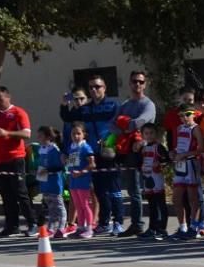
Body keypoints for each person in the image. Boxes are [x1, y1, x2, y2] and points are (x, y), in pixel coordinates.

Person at [0, 85, 37, 237]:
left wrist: (7, 133)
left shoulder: (18, 112)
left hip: (15, 158)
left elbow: (26, 134)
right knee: (6, 195)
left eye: (1, 99)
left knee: (20, 193)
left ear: (8, 97)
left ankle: (32, 223)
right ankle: (12, 225)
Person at [79, 76, 124, 235]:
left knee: (114, 190)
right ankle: (104, 222)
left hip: (109, 152)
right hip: (92, 154)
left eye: (97, 87)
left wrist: (109, 142)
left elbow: (120, 127)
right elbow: (74, 125)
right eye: (91, 87)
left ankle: (118, 222)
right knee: (99, 190)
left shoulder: (113, 105)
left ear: (104, 87)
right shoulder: (86, 108)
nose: (94, 90)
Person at [115, 70, 157, 237]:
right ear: (130, 83)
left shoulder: (148, 104)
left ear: (145, 84)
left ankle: (155, 226)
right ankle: (136, 224)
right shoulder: (125, 105)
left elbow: (142, 121)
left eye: (140, 82)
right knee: (134, 191)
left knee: (152, 190)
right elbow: (112, 125)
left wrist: (125, 123)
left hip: (147, 152)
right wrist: (124, 125)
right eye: (134, 81)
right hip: (129, 152)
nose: (137, 84)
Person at [171, 108, 204, 239]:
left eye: (187, 115)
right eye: (181, 115)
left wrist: (185, 154)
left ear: (194, 115)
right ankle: (182, 227)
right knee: (176, 198)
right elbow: (178, 146)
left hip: (191, 163)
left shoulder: (196, 129)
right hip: (180, 164)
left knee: (193, 198)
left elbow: (201, 149)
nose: (184, 118)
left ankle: (194, 227)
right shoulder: (180, 128)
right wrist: (173, 153)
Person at [137, 122, 172, 240]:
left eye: (151, 133)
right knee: (151, 205)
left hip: (157, 179)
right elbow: (137, 162)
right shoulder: (142, 148)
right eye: (146, 133)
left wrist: (160, 164)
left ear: (156, 134)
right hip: (147, 179)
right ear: (142, 135)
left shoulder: (159, 147)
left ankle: (162, 229)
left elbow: (167, 160)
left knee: (160, 204)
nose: (149, 135)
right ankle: (152, 228)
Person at [64, 121, 96, 239]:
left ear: (84, 134)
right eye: (73, 134)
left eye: (78, 133)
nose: (76, 136)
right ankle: (80, 227)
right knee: (78, 205)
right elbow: (71, 164)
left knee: (85, 205)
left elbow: (92, 164)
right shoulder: (72, 147)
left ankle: (89, 228)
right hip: (73, 181)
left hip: (83, 181)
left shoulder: (86, 147)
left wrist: (81, 172)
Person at [36, 126, 67, 238]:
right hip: (45, 184)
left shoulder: (54, 150)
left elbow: (60, 167)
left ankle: (61, 228)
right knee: (50, 208)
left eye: (41, 136)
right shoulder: (41, 149)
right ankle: (51, 228)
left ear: (48, 137)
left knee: (59, 207)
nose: (38, 138)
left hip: (54, 184)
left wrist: (48, 170)